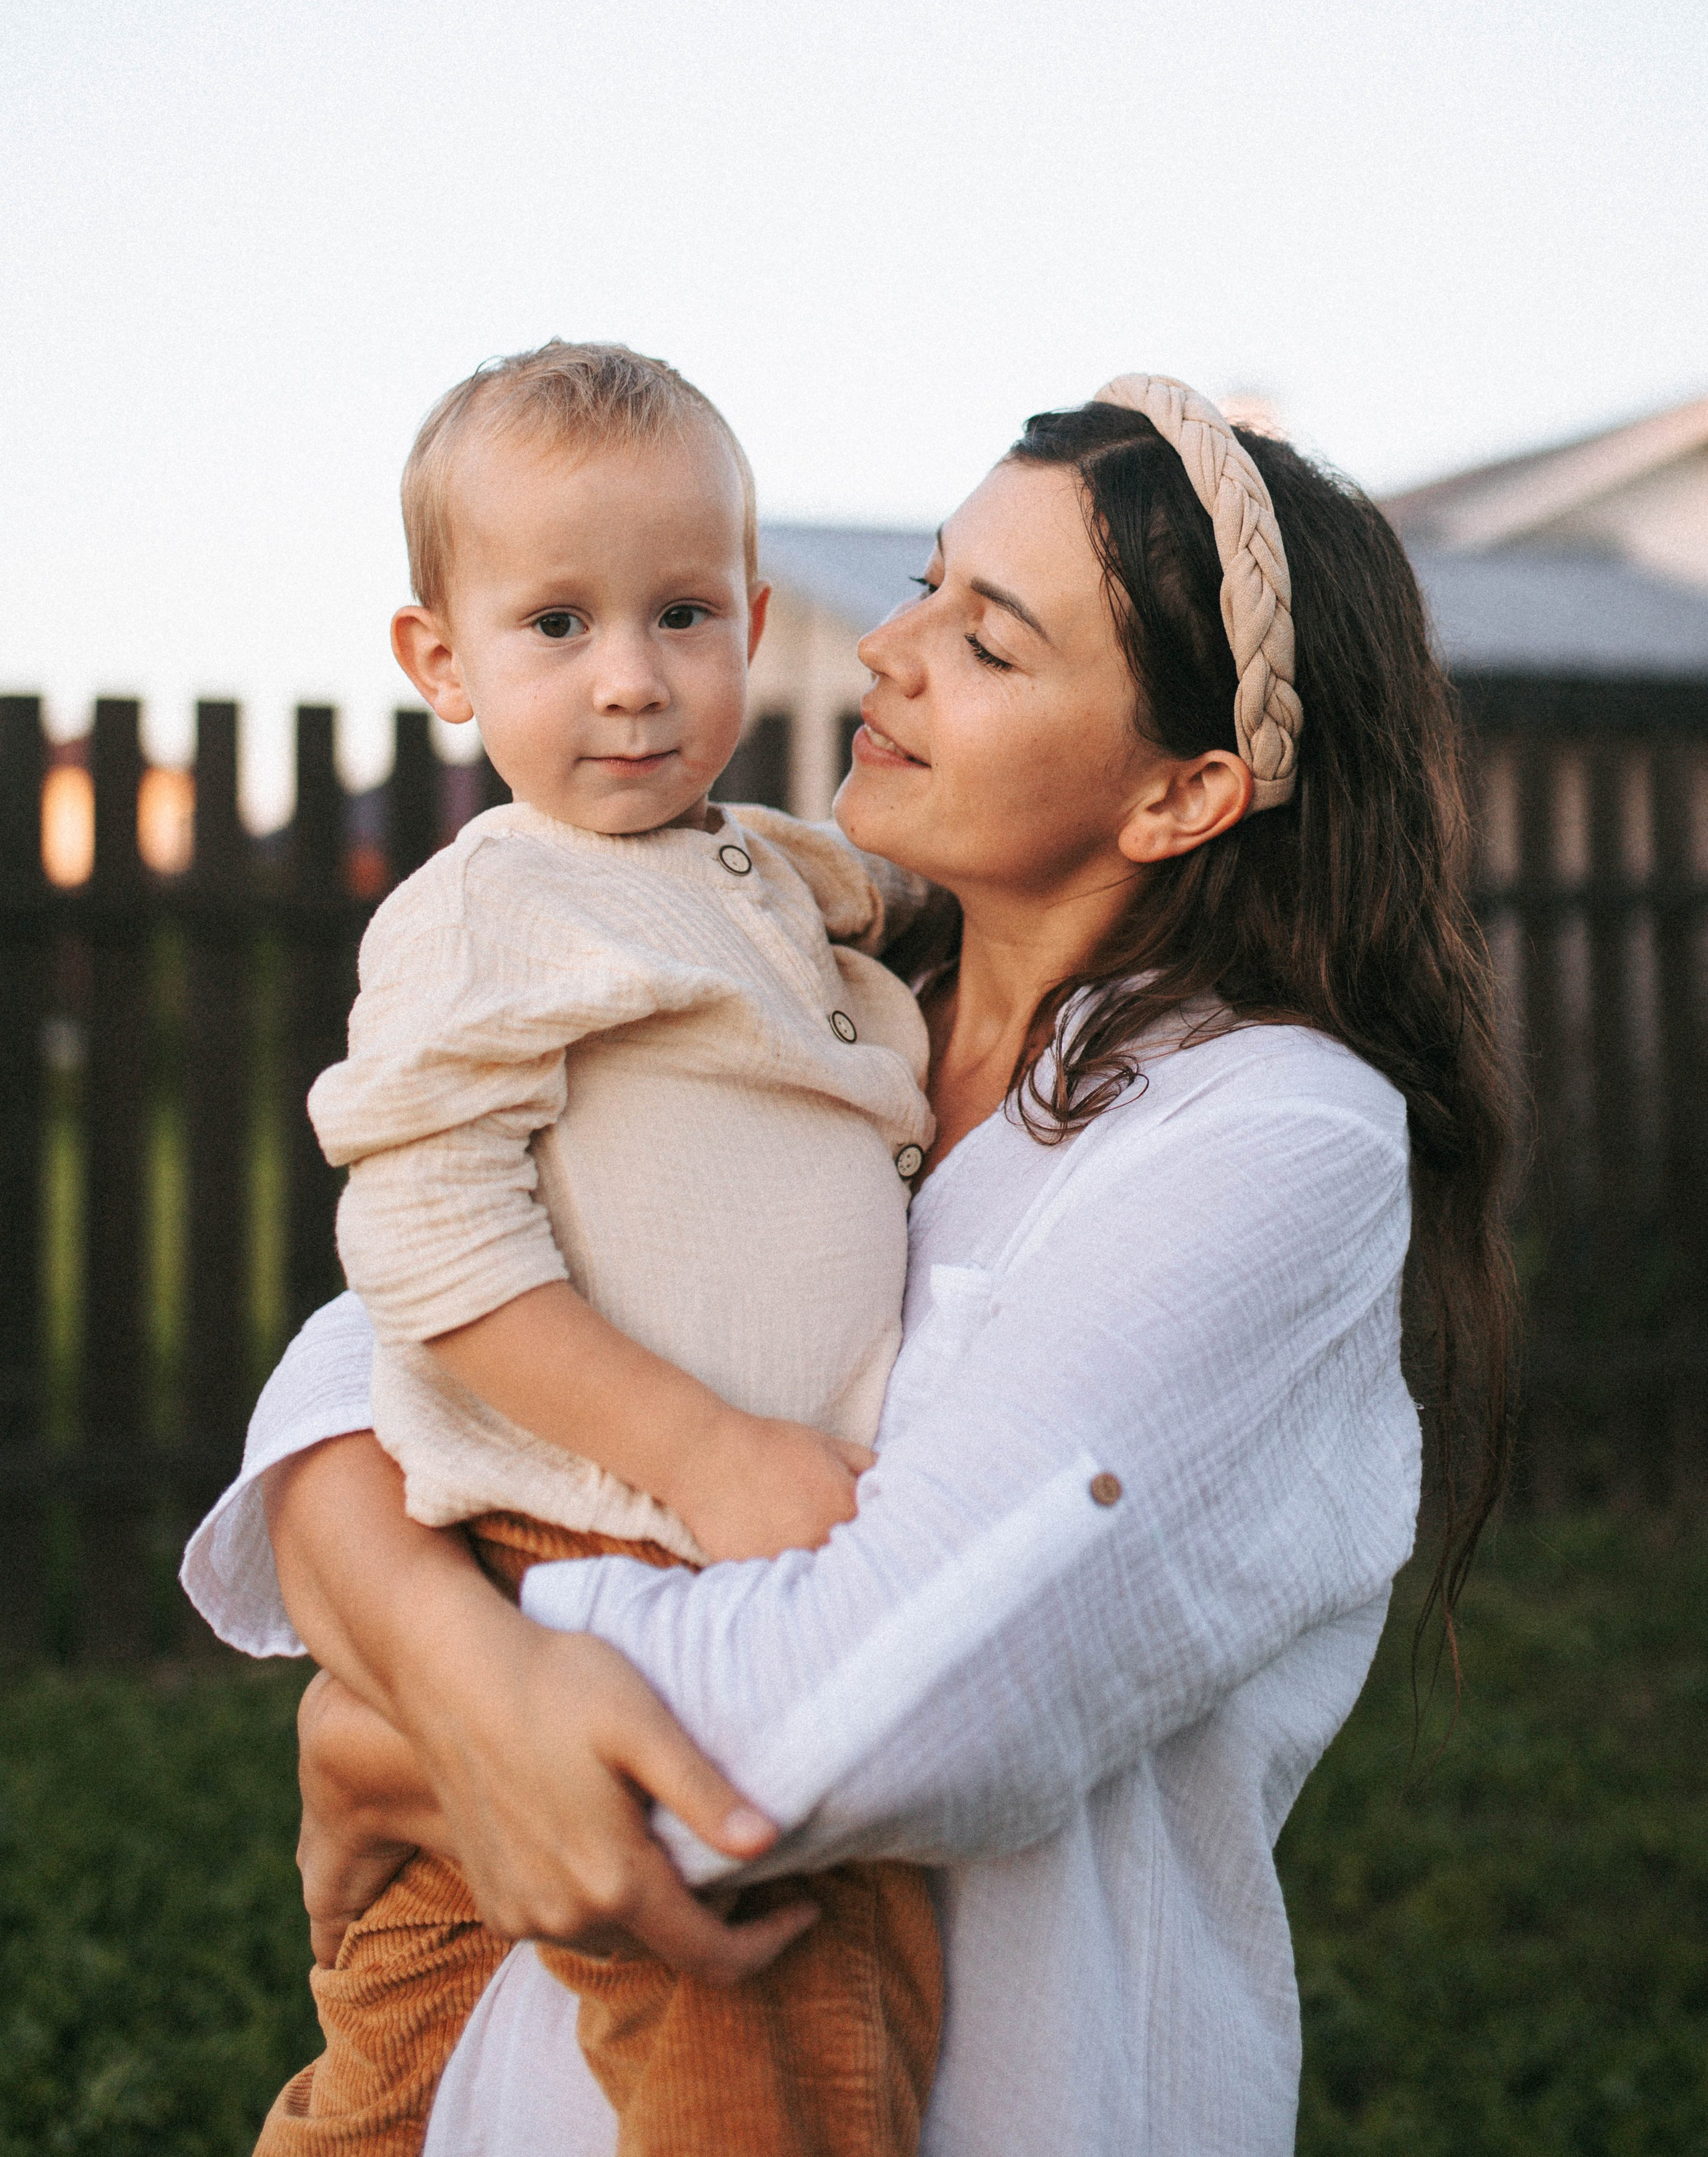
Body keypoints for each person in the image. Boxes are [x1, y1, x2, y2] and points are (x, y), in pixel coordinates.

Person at [185, 374, 1515, 2156]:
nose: (886, 651)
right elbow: (357, 1362)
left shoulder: (1268, 1135)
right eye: (924, 582)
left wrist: (404, 1726)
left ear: (1181, 793)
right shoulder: (823, 1013)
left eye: (990, 639)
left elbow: (872, 1708)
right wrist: (442, 1662)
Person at [246, 338, 943, 2157]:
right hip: (593, 1529)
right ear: (441, 662)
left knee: (428, 2031)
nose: (633, 681)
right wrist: (695, 1447)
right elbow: (418, 1230)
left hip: (692, 1538)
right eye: (557, 624)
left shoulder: (773, 874)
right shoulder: (493, 900)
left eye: (684, 614)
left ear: (753, 618)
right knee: (748, 2021)